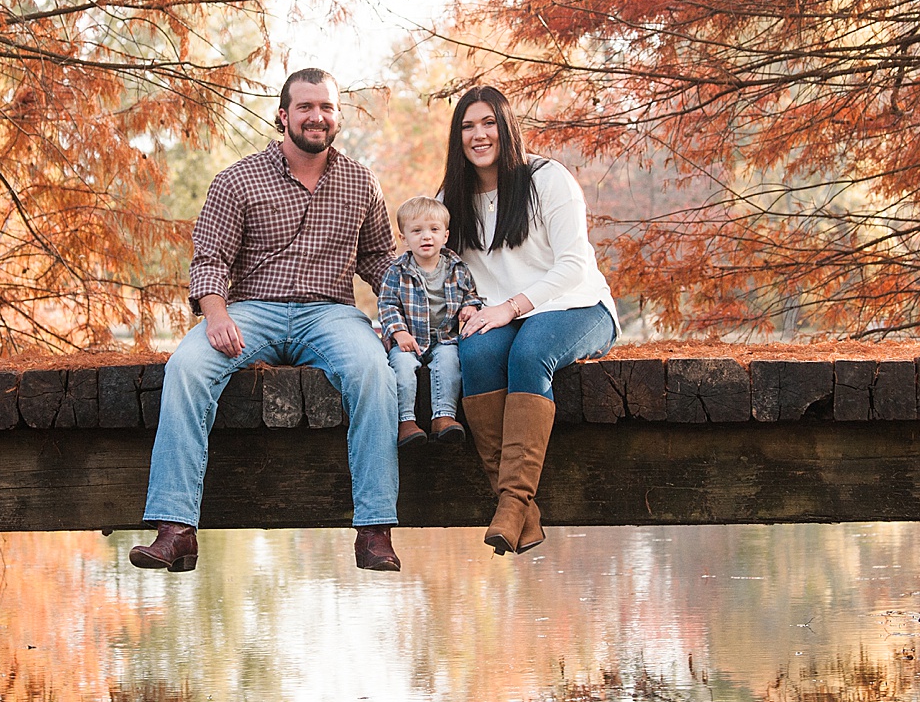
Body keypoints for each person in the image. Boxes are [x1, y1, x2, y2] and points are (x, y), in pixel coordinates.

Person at [130, 68, 405, 573]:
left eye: (326, 107)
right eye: (305, 107)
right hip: (252, 310)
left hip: (330, 313)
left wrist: (420, 305)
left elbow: (379, 260)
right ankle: (175, 529)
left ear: (337, 116)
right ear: (283, 115)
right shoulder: (237, 179)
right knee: (187, 367)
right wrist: (216, 314)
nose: (317, 116)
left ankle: (374, 531)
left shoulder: (361, 181)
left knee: (373, 370)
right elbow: (210, 258)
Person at [443, 85, 620, 556]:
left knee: (530, 353)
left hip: (575, 306)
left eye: (488, 123)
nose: (479, 135)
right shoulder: (452, 197)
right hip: (503, 315)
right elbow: (446, 272)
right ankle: (518, 510)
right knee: (476, 353)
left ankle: (512, 503)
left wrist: (510, 307)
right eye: (467, 126)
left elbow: (573, 266)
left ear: (506, 127)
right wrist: (464, 304)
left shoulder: (548, 179)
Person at [377, 196, 484, 448]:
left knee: (450, 363)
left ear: (445, 236)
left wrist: (470, 306)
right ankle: (406, 421)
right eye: (417, 231)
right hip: (409, 339)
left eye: (434, 230)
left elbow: (471, 293)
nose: (426, 237)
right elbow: (387, 304)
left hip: (444, 337)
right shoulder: (397, 271)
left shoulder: (457, 268)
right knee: (401, 367)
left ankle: (443, 417)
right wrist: (399, 332)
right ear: (404, 238)